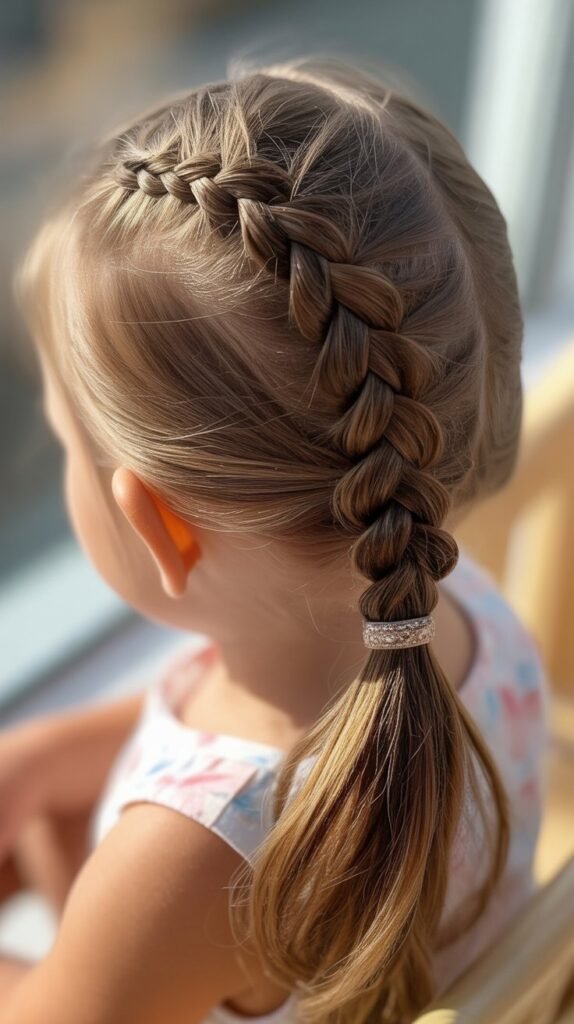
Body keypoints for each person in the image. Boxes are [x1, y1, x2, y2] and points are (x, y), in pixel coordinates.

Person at [1, 53, 550, 1024]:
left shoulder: (185, 862)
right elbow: (235, 722)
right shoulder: (460, 610)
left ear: (157, 526)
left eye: (63, 439)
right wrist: (49, 754)